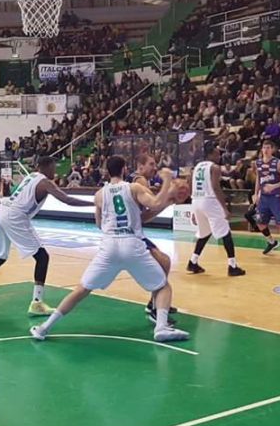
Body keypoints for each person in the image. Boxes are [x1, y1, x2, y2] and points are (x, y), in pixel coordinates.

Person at [30, 156, 188, 343]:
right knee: (162, 287)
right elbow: (154, 204)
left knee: (81, 290)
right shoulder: (133, 188)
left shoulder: (99, 195)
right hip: (132, 243)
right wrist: (168, 181)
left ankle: (44, 328)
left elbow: (98, 223)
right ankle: (161, 327)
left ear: (107, 171)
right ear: (124, 170)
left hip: (109, 246)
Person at [0, 157, 94, 315]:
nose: (55, 172)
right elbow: (67, 200)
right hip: (15, 215)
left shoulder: (31, 175)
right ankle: (37, 303)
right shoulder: (45, 182)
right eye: (53, 168)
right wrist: (95, 203)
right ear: (47, 168)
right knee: (42, 257)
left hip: (2, 210)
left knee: (0, 257)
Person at [130, 154, 179, 324]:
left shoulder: (139, 181)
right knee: (163, 262)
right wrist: (169, 192)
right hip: (129, 235)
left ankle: (156, 302)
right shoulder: (140, 182)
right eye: (151, 164)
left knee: (163, 262)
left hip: (133, 232)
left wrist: (168, 201)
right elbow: (153, 206)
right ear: (140, 166)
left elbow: (144, 217)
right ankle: (155, 308)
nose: (155, 167)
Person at [187, 142, 245, 277]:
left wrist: (193, 209)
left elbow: (190, 186)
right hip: (210, 201)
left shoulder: (196, 167)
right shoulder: (214, 167)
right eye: (217, 153)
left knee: (205, 232)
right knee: (226, 232)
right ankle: (232, 266)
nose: (219, 156)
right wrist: (224, 208)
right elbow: (216, 187)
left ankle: (193, 262)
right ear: (211, 153)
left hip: (197, 200)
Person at [253, 140, 280, 257]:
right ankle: (271, 242)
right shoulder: (258, 163)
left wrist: (274, 186)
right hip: (264, 198)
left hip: (275, 197)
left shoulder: (278, 162)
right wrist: (256, 193)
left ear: (272, 149)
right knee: (260, 223)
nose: (265, 150)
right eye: (264, 147)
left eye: (268, 148)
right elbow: (258, 179)